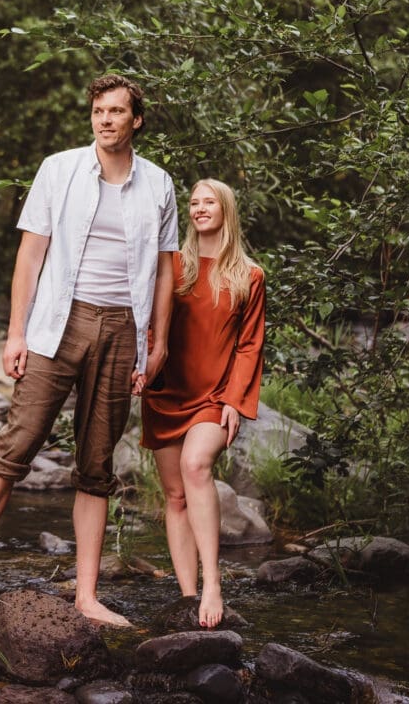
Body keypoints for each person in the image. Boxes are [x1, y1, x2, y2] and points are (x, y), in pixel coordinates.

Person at [0, 74, 178, 627]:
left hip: (123, 330)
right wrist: (17, 332)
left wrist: (156, 343)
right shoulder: (58, 169)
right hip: (58, 324)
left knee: (96, 463)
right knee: (15, 445)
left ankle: (86, 597)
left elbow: (164, 271)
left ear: (136, 120)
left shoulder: (159, 185)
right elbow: (30, 256)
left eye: (116, 111)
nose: (105, 120)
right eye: (97, 111)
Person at [141, 178, 265, 629]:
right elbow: (151, 324)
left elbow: (250, 345)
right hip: (166, 391)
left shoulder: (249, 274)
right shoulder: (172, 265)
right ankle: (187, 594)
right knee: (174, 496)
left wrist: (235, 400)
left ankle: (212, 583)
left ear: (226, 210)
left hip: (214, 397)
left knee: (196, 466)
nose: (198, 209)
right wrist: (144, 367)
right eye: (193, 203)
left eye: (208, 202)